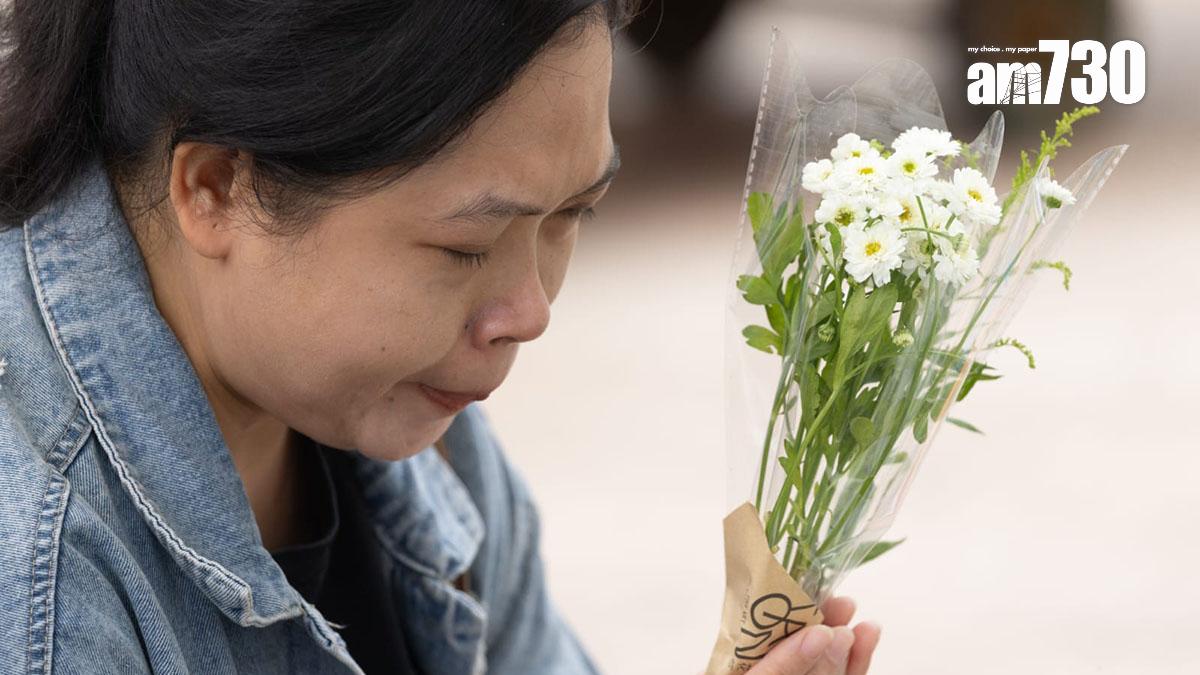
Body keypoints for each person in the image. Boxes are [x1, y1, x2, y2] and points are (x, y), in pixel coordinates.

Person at [0, 1, 880, 673]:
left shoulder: (419, 436)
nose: (531, 311)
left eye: (574, 214)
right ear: (218, 188)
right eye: (465, 247)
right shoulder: (41, 573)